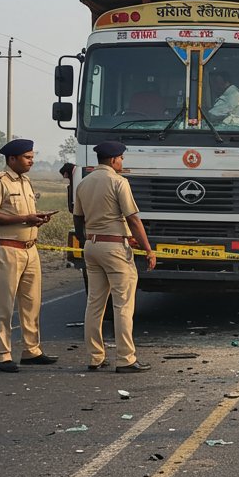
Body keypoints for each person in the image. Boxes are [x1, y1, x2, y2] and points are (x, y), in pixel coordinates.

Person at [74, 140, 156, 374]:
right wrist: (148, 249)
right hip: (115, 250)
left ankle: (95, 356)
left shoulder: (84, 182)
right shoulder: (118, 182)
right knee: (122, 304)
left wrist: (87, 240)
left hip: (92, 245)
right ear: (113, 160)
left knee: (94, 304)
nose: (122, 162)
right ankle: (125, 358)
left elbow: (78, 219)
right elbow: (132, 218)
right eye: (121, 158)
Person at [0, 139, 58, 373]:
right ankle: (2, 354)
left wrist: (37, 218)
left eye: (32, 157)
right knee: (4, 304)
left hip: (30, 248)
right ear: (12, 159)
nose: (31, 162)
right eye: (27, 157)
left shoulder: (25, 182)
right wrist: (24, 219)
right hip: (8, 249)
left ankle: (31, 350)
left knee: (31, 303)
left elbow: (24, 214)